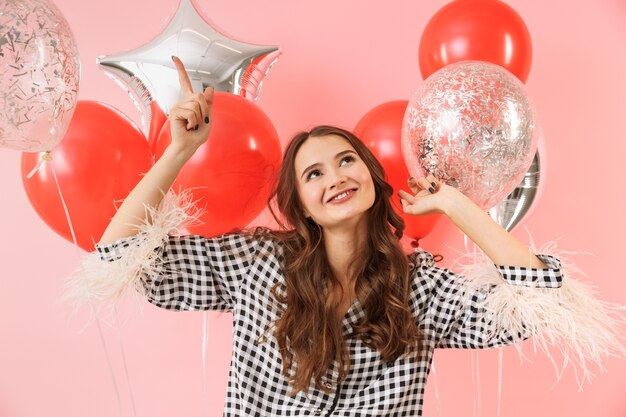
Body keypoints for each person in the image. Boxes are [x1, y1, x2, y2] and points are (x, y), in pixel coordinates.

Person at [96, 56, 562, 416]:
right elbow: (121, 257)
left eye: (345, 161)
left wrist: (456, 203)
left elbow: (538, 302)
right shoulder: (255, 263)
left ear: (371, 176)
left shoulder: (420, 288)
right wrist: (180, 151)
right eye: (313, 173)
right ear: (301, 205)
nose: (335, 177)